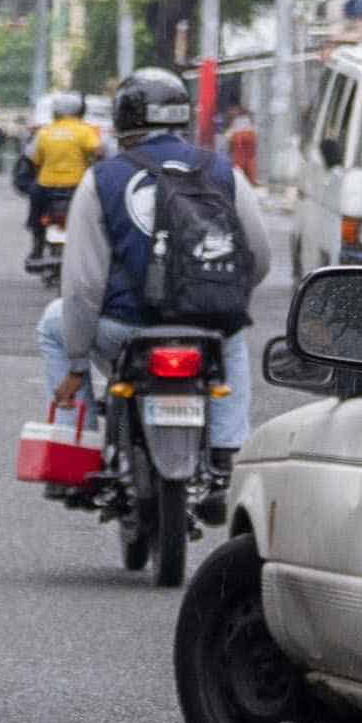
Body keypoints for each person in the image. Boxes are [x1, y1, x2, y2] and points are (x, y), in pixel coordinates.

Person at [42, 63, 284, 495]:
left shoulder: (102, 180)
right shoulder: (224, 172)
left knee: (52, 324)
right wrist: (220, 298)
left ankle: (80, 450)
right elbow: (259, 258)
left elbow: (82, 286)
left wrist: (78, 365)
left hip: (124, 328)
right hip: (203, 327)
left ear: (122, 120)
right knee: (232, 336)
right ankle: (228, 451)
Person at [24, 91, 103, 268]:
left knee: (36, 215)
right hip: (76, 186)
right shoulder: (85, 130)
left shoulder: (45, 132)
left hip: (46, 186)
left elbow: (33, 159)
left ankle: (37, 249)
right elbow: (99, 152)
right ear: (80, 110)